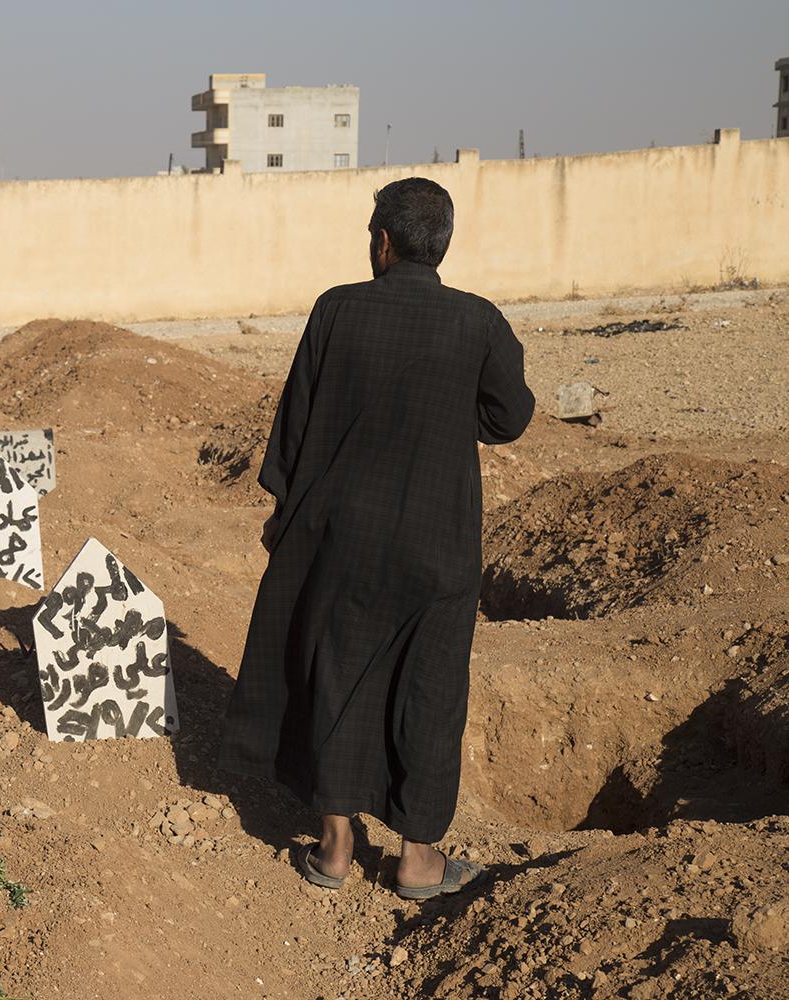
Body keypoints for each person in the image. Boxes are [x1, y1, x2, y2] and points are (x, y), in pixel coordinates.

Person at [218, 177, 534, 899]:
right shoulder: (479, 322)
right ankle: (419, 861)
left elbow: (294, 427)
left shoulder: (336, 311)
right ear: (441, 245)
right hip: (438, 543)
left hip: (339, 539)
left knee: (332, 671)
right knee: (429, 689)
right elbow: (510, 415)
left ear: (383, 241)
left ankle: (334, 849)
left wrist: (283, 518)